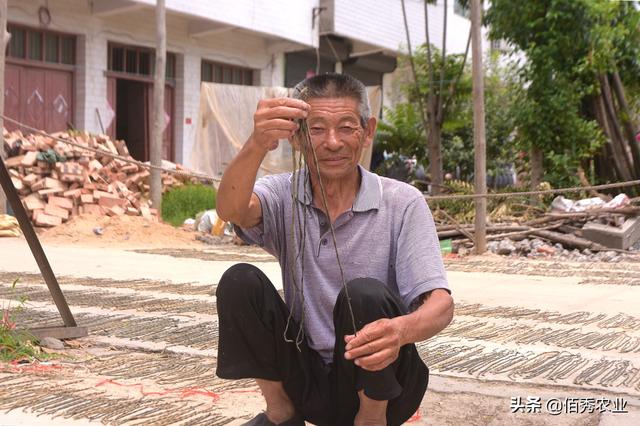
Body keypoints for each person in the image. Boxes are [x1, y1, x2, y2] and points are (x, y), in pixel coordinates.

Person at [215, 73, 453, 426]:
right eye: (316, 129)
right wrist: (256, 143)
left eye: (345, 127)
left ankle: (369, 420)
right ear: (296, 137)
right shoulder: (283, 194)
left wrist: (400, 331)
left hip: (385, 387)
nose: (332, 142)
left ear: (367, 131)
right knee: (239, 281)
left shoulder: (402, 202)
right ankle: (282, 413)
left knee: (364, 294)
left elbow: (441, 305)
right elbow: (231, 210)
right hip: (307, 379)